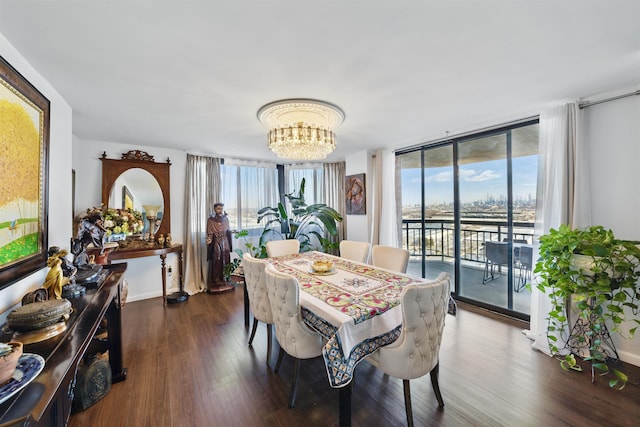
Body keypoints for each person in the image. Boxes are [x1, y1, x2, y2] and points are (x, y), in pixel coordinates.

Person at [206, 203, 234, 294]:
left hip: (225, 240)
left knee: (225, 258)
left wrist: (231, 232)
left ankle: (225, 277)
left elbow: (227, 230)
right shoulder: (210, 220)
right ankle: (216, 279)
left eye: (221, 208)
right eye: (218, 209)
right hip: (216, 240)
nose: (220, 210)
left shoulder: (225, 219)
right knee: (217, 259)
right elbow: (209, 232)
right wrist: (209, 239)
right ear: (214, 209)